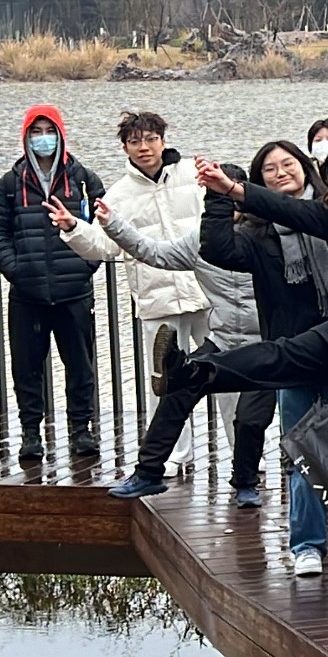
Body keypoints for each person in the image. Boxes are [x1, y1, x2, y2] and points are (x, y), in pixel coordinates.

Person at [190, 140, 328, 576]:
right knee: (302, 449)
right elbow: (216, 249)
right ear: (258, 179)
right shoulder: (258, 234)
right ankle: (306, 543)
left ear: (307, 167)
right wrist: (218, 194)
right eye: (269, 169)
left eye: (289, 163)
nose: (281, 172)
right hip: (293, 353)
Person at [49, 174, 271, 508]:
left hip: (269, 343)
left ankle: (246, 482)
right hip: (224, 339)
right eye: (219, 200)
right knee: (178, 389)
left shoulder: (271, 239)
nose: (230, 207)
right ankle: (148, 473)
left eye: (234, 198)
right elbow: (151, 251)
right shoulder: (202, 240)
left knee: (249, 414)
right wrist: (111, 223)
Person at [58, 111, 212, 478]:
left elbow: (225, 216)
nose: (144, 147)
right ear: (125, 147)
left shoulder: (194, 174)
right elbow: (101, 244)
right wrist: (72, 228)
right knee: (165, 380)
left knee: (229, 374)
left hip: (208, 293)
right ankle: (175, 453)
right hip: (157, 300)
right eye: (134, 141)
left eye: (150, 138)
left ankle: (244, 452)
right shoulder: (119, 194)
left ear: (163, 139)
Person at [0, 105, 106, 461]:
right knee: (27, 366)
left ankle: (81, 429)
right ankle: (30, 432)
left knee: (81, 365)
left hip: (74, 291)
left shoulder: (83, 178)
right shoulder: (11, 183)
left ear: (60, 133)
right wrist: (14, 269)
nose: (42, 138)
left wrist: (87, 264)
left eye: (47, 130)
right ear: (26, 137)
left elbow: (104, 224)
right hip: (27, 293)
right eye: (35, 131)